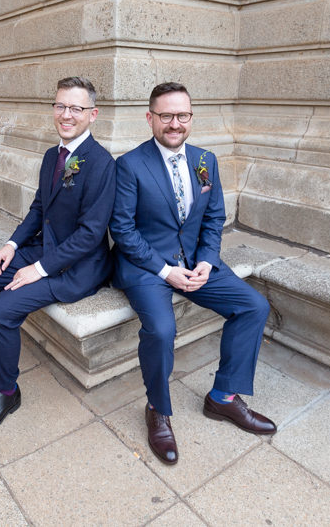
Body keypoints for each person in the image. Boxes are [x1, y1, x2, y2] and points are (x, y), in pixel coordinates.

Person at [0, 76, 116, 436]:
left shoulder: (101, 164)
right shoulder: (54, 155)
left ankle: (6, 392)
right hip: (43, 250)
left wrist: (38, 269)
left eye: (76, 108)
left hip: (76, 269)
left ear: (92, 114)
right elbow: (39, 209)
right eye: (61, 106)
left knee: (0, 311)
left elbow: (91, 234)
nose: (66, 115)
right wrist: (11, 246)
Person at [109, 82, 275, 465]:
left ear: (191, 117)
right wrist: (167, 271)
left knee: (253, 306)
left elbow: (214, 216)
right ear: (150, 118)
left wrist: (206, 259)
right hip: (147, 265)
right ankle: (157, 410)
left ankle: (223, 398)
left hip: (196, 262)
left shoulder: (205, 160)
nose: (174, 123)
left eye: (182, 115)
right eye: (165, 115)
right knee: (162, 330)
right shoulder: (130, 165)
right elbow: (123, 230)